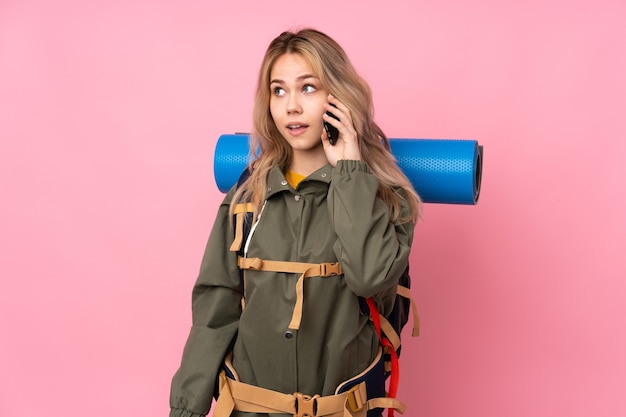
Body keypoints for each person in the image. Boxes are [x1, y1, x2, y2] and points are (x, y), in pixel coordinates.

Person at [169, 28, 421, 417]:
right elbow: (214, 313)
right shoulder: (245, 198)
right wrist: (185, 410)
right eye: (279, 90)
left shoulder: (388, 199)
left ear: (338, 96)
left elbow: (370, 277)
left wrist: (351, 172)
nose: (291, 107)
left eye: (308, 88)